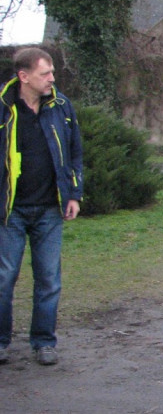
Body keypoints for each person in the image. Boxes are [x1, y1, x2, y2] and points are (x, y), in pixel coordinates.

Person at [0, 48, 83, 366]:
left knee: (49, 279)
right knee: (5, 279)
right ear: (23, 76)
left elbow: (74, 151)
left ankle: (44, 342)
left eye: (52, 72)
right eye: (44, 73)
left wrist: (73, 194)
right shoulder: (4, 107)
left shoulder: (61, 106)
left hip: (50, 208)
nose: (52, 78)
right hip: (10, 211)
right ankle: (1, 342)